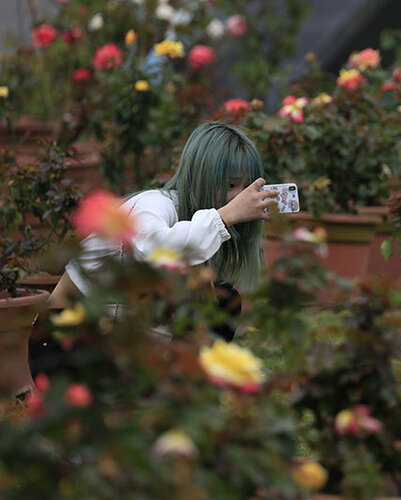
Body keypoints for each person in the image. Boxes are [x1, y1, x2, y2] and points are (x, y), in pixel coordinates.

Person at [34, 121, 278, 373]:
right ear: (202, 176)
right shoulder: (154, 204)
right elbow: (155, 250)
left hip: (117, 337)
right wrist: (224, 217)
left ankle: (182, 387)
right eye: (230, 185)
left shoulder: (198, 221)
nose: (238, 197)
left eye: (246, 187)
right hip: (61, 341)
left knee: (220, 297)